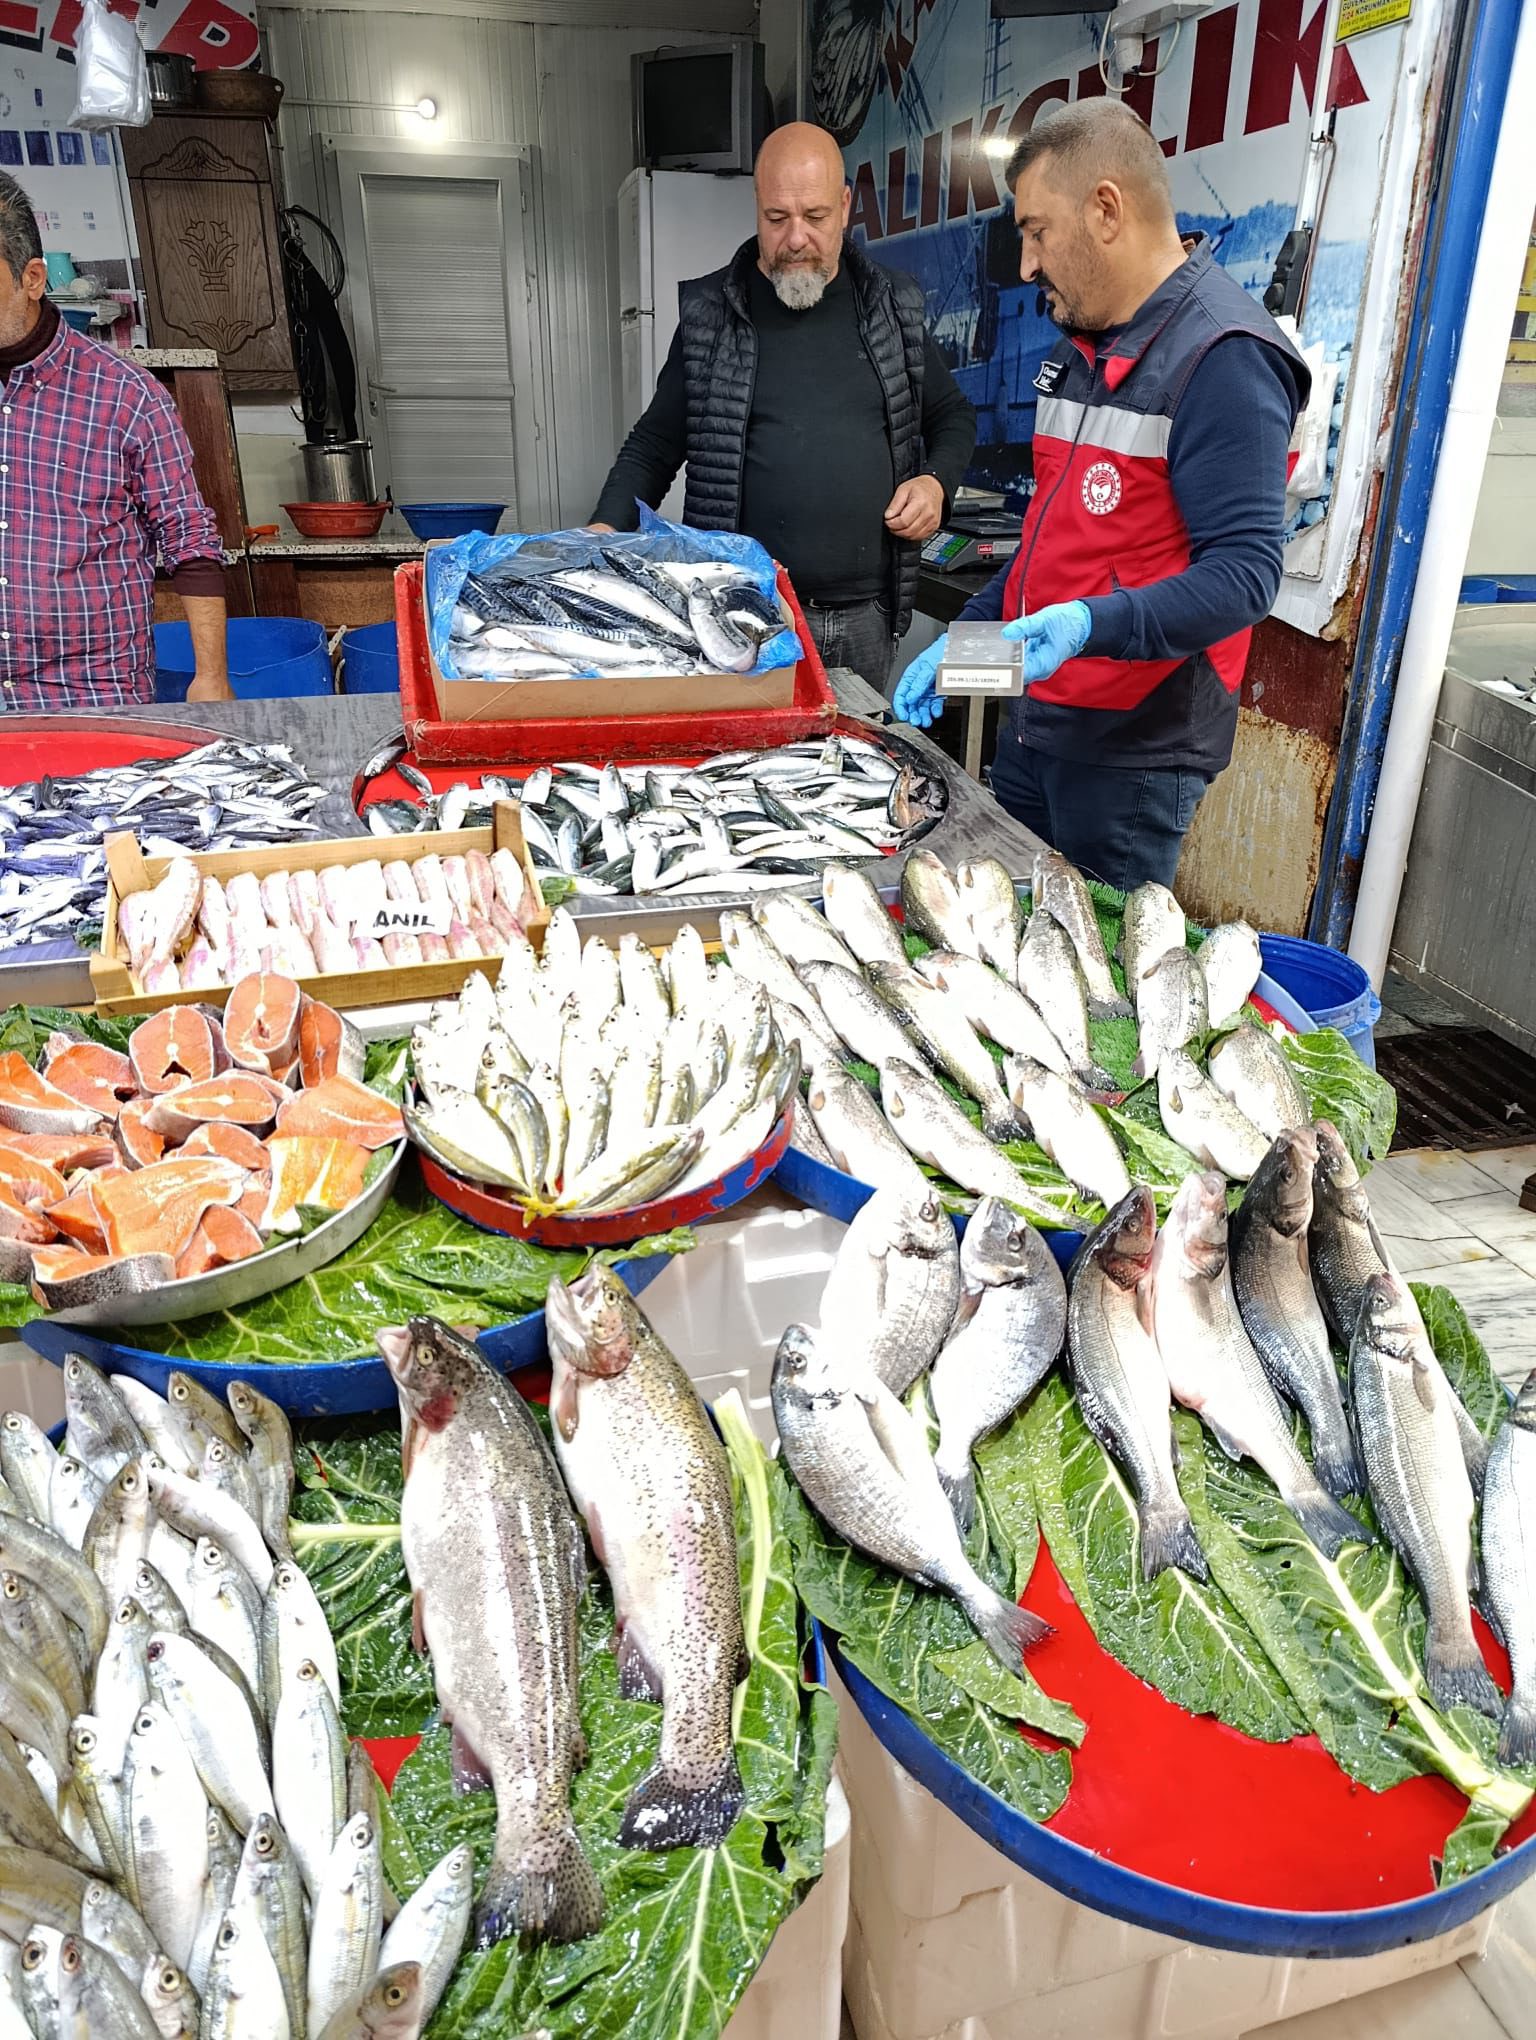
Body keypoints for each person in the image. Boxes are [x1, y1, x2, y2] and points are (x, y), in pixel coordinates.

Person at [892, 100, 1309, 892]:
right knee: (1005, 924)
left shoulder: (1225, 358)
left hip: (1131, 756)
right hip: (1038, 724)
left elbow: (1247, 575)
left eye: (1037, 231)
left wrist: (1092, 623)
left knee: (1093, 979)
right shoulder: (1080, 347)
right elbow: (1054, 552)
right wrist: (967, 651)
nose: (1026, 264)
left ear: (1106, 210)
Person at [590, 122, 976, 694]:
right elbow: (653, 445)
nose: (796, 238)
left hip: (865, 619)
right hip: (743, 617)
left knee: (845, 775)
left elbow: (953, 418)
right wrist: (600, 533)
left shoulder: (894, 308)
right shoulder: (711, 315)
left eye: (815, 217)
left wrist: (935, 484)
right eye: (777, 218)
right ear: (756, 207)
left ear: (845, 207)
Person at [0, 171, 230, 709]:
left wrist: (211, 677)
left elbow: (189, 536)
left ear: (32, 278)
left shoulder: (127, 395)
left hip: (88, 693)